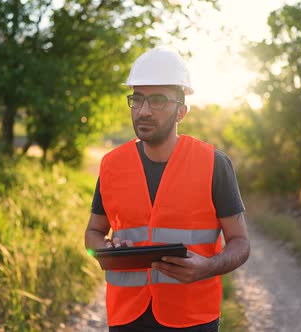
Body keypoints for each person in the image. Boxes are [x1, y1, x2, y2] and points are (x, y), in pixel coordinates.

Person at [84, 47, 250, 332]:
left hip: (193, 319)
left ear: (181, 111)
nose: (144, 111)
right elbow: (93, 234)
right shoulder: (111, 165)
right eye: (137, 99)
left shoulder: (214, 163)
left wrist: (209, 266)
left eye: (158, 100)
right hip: (126, 318)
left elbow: (241, 242)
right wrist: (106, 249)